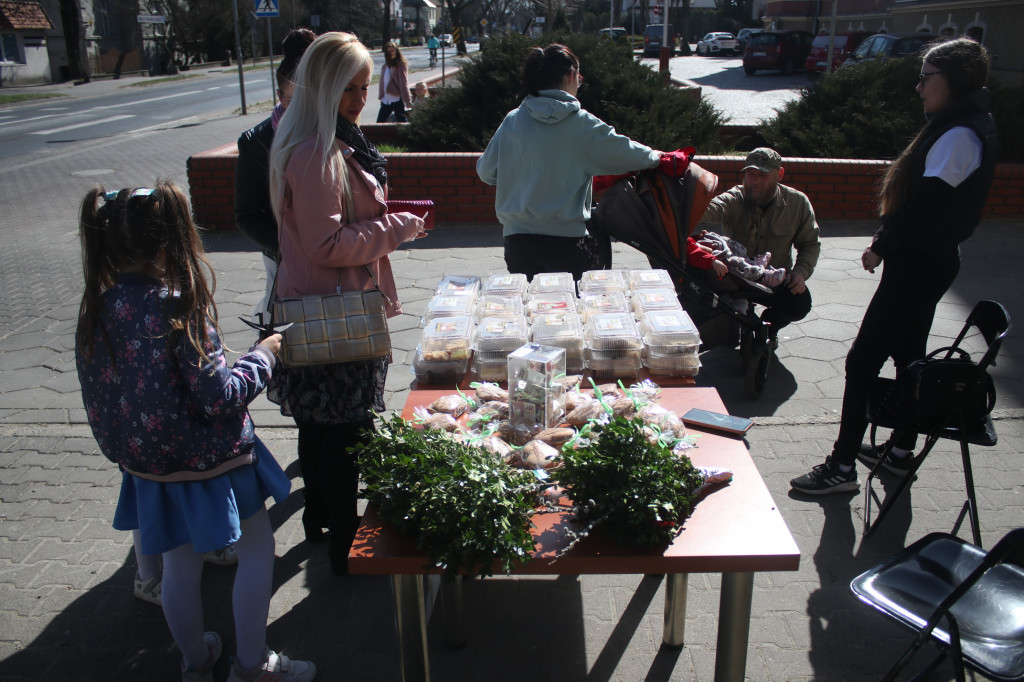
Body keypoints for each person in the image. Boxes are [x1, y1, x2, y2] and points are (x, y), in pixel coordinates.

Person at [74, 182, 316, 682]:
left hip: (149, 466)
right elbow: (220, 396)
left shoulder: (97, 310)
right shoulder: (180, 306)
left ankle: (196, 662)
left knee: (178, 566)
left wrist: (129, 454)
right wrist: (264, 356)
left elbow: (98, 400)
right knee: (257, 549)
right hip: (216, 460)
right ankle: (253, 664)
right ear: (170, 242)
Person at [790, 38, 997, 495]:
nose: (919, 86)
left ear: (954, 80)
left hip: (920, 264)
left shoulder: (961, 133)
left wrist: (882, 244)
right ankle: (900, 452)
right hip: (926, 262)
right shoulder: (960, 125)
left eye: (927, 77)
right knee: (909, 355)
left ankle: (842, 467)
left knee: (862, 359)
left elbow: (927, 206)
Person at [268, 32, 426, 574]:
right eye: (351, 89)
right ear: (323, 87)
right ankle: (345, 551)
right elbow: (326, 245)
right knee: (343, 438)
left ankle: (321, 526)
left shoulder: (322, 139)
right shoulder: (317, 152)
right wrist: (397, 229)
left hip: (316, 309)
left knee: (320, 433)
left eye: (365, 87)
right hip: (334, 315)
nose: (362, 99)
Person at [476, 43, 663, 281]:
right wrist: (658, 156)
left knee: (530, 311)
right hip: (566, 242)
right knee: (566, 312)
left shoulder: (513, 120)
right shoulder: (582, 124)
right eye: (579, 76)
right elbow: (631, 154)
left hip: (517, 241)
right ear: (571, 74)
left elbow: (485, 171)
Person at [235, 28, 316, 327]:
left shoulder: (331, 130)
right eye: (291, 100)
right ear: (279, 95)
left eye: (307, 100)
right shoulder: (256, 142)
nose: (299, 111)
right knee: (280, 327)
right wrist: (286, 246)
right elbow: (245, 214)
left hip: (330, 254)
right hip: (281, 256)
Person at [697, 147, 821, 343]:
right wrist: (687, 204)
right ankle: (740, 322)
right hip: (735, 279)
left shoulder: (797, 203)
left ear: (779, 174)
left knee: (799, 304)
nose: (754, 181)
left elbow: (810, 244)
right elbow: (710, 209)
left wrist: (800, 272)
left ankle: (770, 324)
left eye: (762, 175)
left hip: (773, 280)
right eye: (750, 174)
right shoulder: (735, 198)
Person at [693, 230, 786, 288]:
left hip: (716, 245)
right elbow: (694, 250)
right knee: (735, 262)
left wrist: (701, 236)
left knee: (738, 249)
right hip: (714, 258)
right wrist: (712, 259)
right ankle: (760, 273)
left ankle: (754, 262)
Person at [376, 40, 411, 123]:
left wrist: (407, 100)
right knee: (379, 122)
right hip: (386, 100)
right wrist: (382, 96)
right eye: (388, 51)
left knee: (402, 121)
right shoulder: (385, 66)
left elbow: (404, 82)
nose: (391, 53)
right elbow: (382, 83)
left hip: (396, 98)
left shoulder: (401, 64)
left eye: (393, 51)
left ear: (396, 51)